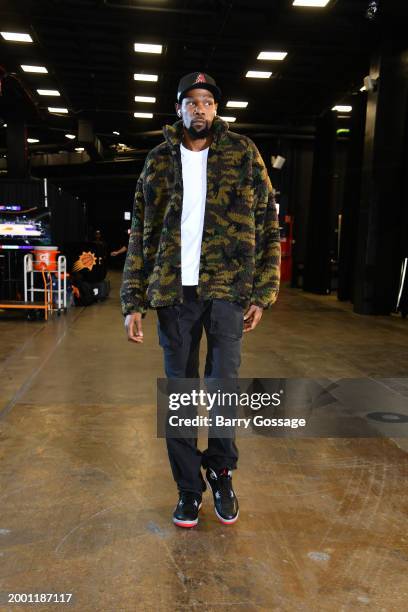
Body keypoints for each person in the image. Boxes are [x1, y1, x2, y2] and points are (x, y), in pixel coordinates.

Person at [120, 71, 281, 528]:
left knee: (224, 386)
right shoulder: (157, 161)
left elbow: (268, 226)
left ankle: (221, 471)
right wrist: (133, 299)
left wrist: (263, 292)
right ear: (178, 109)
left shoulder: (243, 154)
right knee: (180, 395)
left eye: (207, 101)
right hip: (174, 294)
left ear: (216, 109)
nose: (200, 109)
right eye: (191, 101)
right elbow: (139, 235)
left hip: (229, 291)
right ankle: (189, 489)